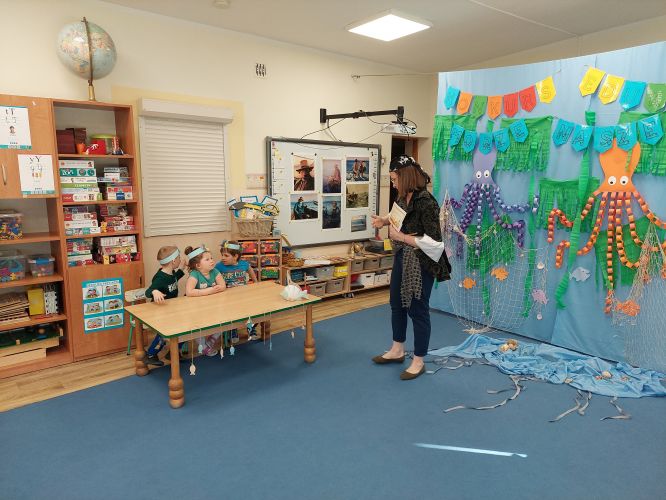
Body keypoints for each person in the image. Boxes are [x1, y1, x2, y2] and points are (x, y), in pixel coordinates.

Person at [370, 155, 451, 380]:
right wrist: (384, 220)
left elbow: (436, 245)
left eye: (394, 179)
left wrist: (402, 237)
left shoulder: (426, 202)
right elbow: (397, 215)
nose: (393, 183)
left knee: (417, 309)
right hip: (402, 257)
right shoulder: (403, 196)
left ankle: (418, 360)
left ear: (405, 177)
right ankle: (397, 350)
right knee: (396, 303)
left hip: (422, 262)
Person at [143, 246, 185, 366]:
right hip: (161, 311)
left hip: (171, 309)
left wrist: (182, 269)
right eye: (179, 258)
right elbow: (148, 291)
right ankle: (151, 355)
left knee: (183, 330)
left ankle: (173, 352)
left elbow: (174, 279)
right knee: (163, 335)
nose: (180, 259)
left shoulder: (171, 273)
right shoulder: (160, 277)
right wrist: (154, 291)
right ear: (173, 261)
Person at [185, 245, 226, 356]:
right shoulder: (195, 274)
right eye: (207, 259)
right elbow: (189, 292)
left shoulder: (215, 271)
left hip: (212, 306)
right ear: (198, 265)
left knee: (223, 320)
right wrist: (209, 291)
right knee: (198, 327)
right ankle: (203, 346)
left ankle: (211, 340)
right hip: (196, 309)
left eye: (211, 258)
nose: (211, 261)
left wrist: (219, 288)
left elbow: (223, 286)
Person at [215, 240, 259, 343]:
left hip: (243, 296)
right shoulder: (219, 266)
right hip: (228, 297)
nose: (223, 258)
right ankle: (232, 330)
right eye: (222, 255)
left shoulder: (244, 264)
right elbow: (214, 276)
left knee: (248, 312)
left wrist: (256, 282)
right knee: (231, 314)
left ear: (235, 256)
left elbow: (250, 270)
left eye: (226, 255)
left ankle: (250, 328)